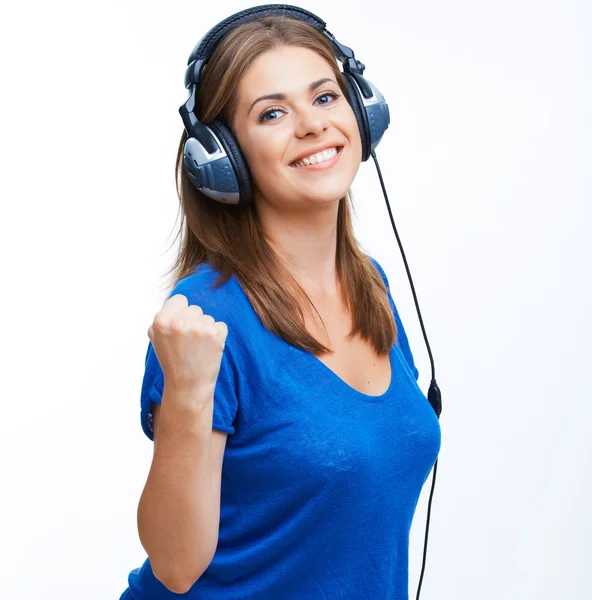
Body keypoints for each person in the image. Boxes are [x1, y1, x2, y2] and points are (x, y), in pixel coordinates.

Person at [119, 12, 441, 600]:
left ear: (361, 113)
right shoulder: (207, 318)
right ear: (222, 158)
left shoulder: (371, 287)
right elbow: (174, 565)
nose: (313, 125)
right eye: (272, 113)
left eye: (325, 96)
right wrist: (189, 396)